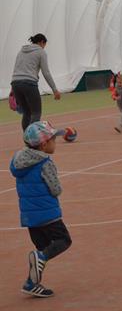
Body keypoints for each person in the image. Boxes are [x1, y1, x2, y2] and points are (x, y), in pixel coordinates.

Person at [10, 121, 72, 298]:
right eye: (53, 139)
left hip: (30, 216)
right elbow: (55, 188)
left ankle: (31, 283)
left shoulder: (19, 160)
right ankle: (38, 264)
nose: (55, 143)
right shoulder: (45, 162)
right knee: (63, 241)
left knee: (43, 249)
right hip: (47, 213)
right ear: (44, 144)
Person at [10, 34, 61, 131]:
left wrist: (12, 89)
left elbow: (16, 70)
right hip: (29, 84)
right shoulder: (41, 52)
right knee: (36, 112)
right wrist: (55, 90)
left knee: (27, 113)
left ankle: (27, 140)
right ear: (42, 42)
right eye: (44, 45)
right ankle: (33, 139)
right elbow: (46, 73)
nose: (44, 47)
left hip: (15, 83)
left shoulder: (21, 51)